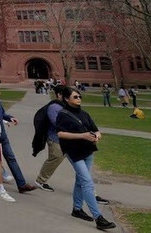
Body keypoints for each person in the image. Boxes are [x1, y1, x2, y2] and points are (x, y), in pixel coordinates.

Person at [56, 86, 116, 230]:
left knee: (80, 181)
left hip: (88, 151)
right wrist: (82, 136)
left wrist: (97, 136)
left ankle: (77, 209)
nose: (79, 99)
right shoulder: (63, 114)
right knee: (87, 183)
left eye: (79, 96)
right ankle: (98, 218)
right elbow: (60, 134)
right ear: (66, 99)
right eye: (75, 97)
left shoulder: (84, 114)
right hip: (74, 152)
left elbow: (96, 129)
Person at [35, 84, 66, 192]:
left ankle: (85, 185)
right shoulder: (54, 107)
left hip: (69, 139)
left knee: (79, 161)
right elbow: (57, 123)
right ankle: (40, 180)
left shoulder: (66, 106)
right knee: (56, 157)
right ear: (59, 95)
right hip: (55, 138)